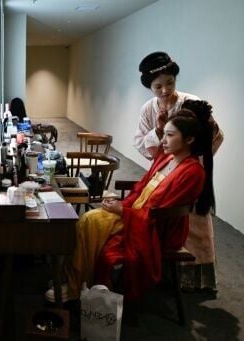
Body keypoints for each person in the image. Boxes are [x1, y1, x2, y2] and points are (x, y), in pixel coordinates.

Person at [50, 101, 214, 302]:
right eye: (165, 134)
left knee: (89, 221)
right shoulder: (167, 158)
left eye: (170, 135)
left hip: (156, 228)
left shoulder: (193, 173)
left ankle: (76, 284)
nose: (163, 140)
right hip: (138, 214)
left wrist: (123, 211)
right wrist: (123, 204)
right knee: (87, 221)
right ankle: (76, 279)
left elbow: (162, 213)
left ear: (189, 139)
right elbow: (142, 188)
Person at [134, 52, 223, 292]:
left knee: (194, 221)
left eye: (170, 83)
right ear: (149, 87)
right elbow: (141, 143)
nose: (164, 91)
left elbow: (215, 136)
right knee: (163, 217)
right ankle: (160, 271)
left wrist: (188, 163)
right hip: (163, 172)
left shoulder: (191, 103)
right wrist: (159, 132)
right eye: (157, 86)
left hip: (188, 173)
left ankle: (196, 280)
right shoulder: (148, 109)